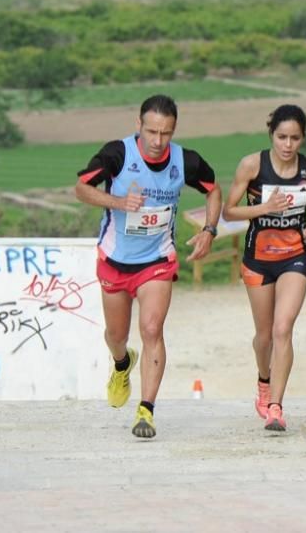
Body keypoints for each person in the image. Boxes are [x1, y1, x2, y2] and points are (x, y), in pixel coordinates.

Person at [75, 94, 222, 439]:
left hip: (157, 260)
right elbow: (81, 188)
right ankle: (122, 364)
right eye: (152, 132)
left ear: (174, 131)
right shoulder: (117, 153)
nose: (157, 142)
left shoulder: (185, 161)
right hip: (115, 260)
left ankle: (146, 411)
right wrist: (117, 201)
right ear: (138, 124)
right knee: (116, 336)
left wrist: (209, 230)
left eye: (166, 133)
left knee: (152, 329)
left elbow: (214, 191)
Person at [222, 104, 306, 431]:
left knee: (283, 329)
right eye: (282, 137)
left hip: (295, 256)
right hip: (257, 259)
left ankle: (276, 407)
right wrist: (265, 208)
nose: (288, 145)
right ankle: (263, 381)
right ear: (271, 135)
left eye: (295, 138)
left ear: (303, 138)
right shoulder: (252, 166)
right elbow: (230, 212)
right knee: (264, 337)